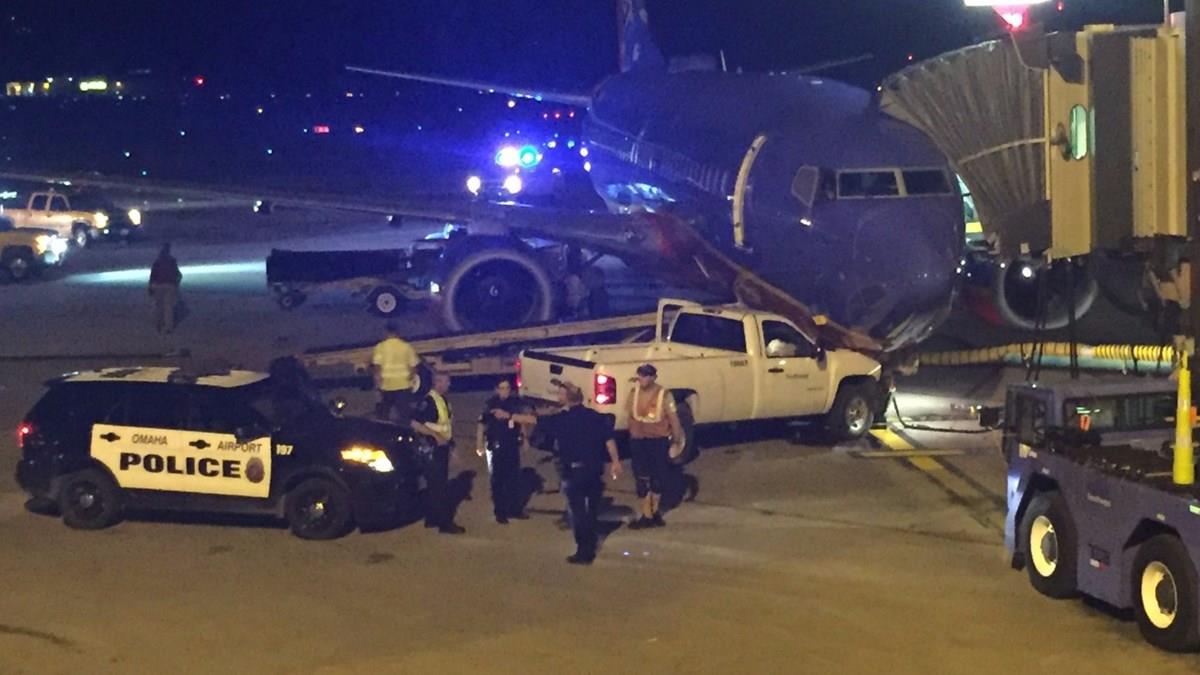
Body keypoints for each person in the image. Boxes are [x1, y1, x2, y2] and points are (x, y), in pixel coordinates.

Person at [498, 382, 621, 565]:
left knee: (577, 512)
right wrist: (615, 462)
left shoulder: (561, 419)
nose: (558, 397)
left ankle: (584, 551)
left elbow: (533, 420)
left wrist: (509, 416)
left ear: (567, 399)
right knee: (591, 510)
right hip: (594, 470)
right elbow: (609, 440)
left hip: (572, 472)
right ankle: (591, 540)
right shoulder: (595, 416)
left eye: (561, 394)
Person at [626, 363, 684, 529]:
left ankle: (655, 511)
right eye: (640, 375)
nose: (642, 378)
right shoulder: (634, 393)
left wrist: (676, 441)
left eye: (646, 375)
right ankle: (647, 514)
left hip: (658, 441)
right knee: (641, 478)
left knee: (658, 477)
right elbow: (629, 415)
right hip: (638, 441)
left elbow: (673, 419)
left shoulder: (664, 395)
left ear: (654, 377)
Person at [411, 372, 465, 534]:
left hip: (441, 447)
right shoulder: (429, 401)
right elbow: (414, 422)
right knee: (439, 488)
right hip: (432, 449)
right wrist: (435, 436)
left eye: (447, 382)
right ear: (436, 382)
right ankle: (444, 523)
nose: (445, 385)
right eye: (442, 381)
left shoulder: (443, 400)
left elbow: (446, 427)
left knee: (435, 487)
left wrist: (452, 447)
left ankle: (432, 518)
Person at [476, 378, 530, 524]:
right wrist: (479, 444)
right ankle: (500, 512)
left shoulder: (514, 403)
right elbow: (481, 424)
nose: (505, 391)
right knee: (498, 480)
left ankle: (515, 509)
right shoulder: (490, 404)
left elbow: (520, 421)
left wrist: (525, 439)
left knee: (514, 478)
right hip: (496, 446)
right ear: (496, 389)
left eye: (507, 388)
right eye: (502, 388)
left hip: (512, 444)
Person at [372, 321, 421, 427]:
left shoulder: (380, 347)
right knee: (404, 414)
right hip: (403, 385)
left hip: (386, 385)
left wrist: (377, 383)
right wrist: (410, 378)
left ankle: (384, 432)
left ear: (386, 332)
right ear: (398, 332)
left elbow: (377, 367)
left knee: (384, 414)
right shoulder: (406, 347)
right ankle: (404, 432)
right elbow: (414, 366)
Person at [148, 242, 182, 334]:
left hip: (158, 285)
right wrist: (176, 284)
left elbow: (153, 276)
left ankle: (158, 324)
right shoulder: (172, 261)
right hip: (170, 285)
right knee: (168, 307)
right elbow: (178, 274)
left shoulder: (157, 262)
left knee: (158, 306)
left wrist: (150, 287)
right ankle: (168, 327)